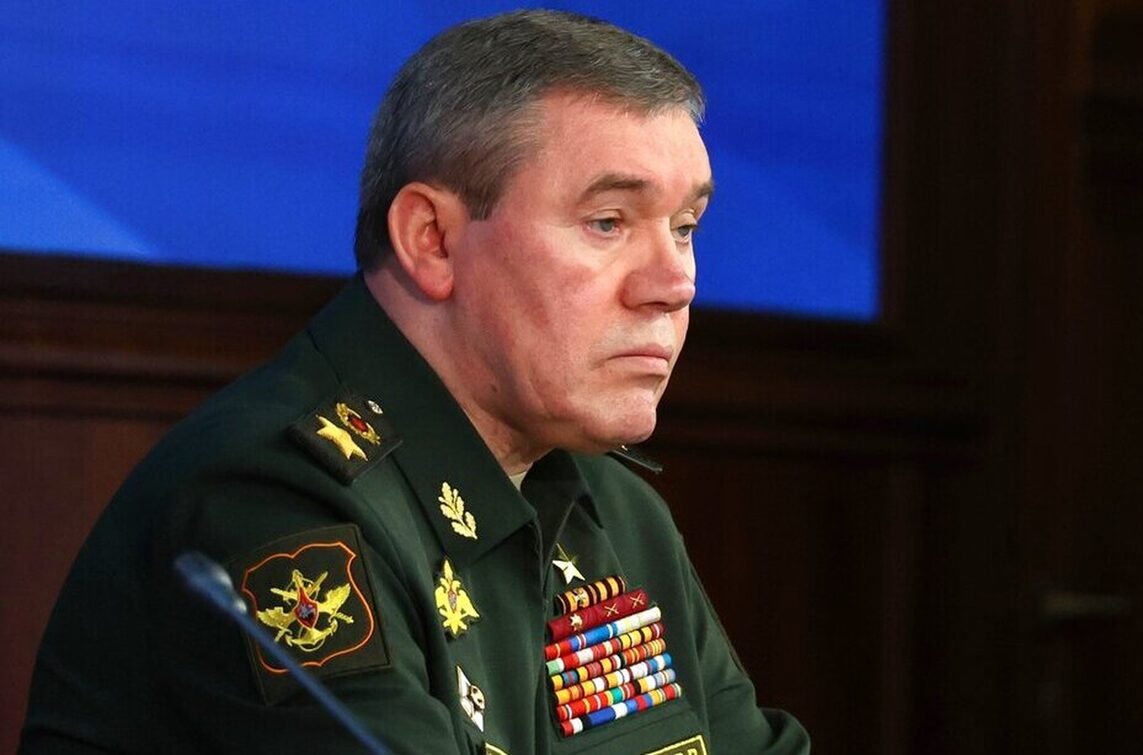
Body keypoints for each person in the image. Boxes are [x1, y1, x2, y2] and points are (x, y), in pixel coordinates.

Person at [22, 10, 810, 754]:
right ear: (431, 239)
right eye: (608, 222)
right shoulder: (273, 502)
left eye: (685, 228)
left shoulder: (617, 512)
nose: (674, 283)